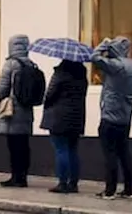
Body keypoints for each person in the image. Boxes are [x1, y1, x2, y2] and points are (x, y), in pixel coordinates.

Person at [91, 35, 132, 199]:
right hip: (125, 117)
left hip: (110, 116)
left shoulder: (116, 66)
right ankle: (129, 189)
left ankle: (110, 190)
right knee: (124, 153)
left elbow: (94, 57)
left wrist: (104, 44)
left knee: (109, 154)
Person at [0, 34, 40, 188]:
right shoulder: (32, 64)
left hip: (12, 111)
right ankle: (23, 177)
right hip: (27, 110)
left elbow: (3, 88)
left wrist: (2, 99)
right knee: (24, 145)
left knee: (13, 145)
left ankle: (15, 177)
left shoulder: (10, 64)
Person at [42, 59, 88, 193]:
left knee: (61, 149)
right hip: (76, 117)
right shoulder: (82, 74)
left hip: (59, 117)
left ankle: (62, 183)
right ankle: (73, 183)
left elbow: (50, 94)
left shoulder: (60, 73)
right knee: (73, 150)